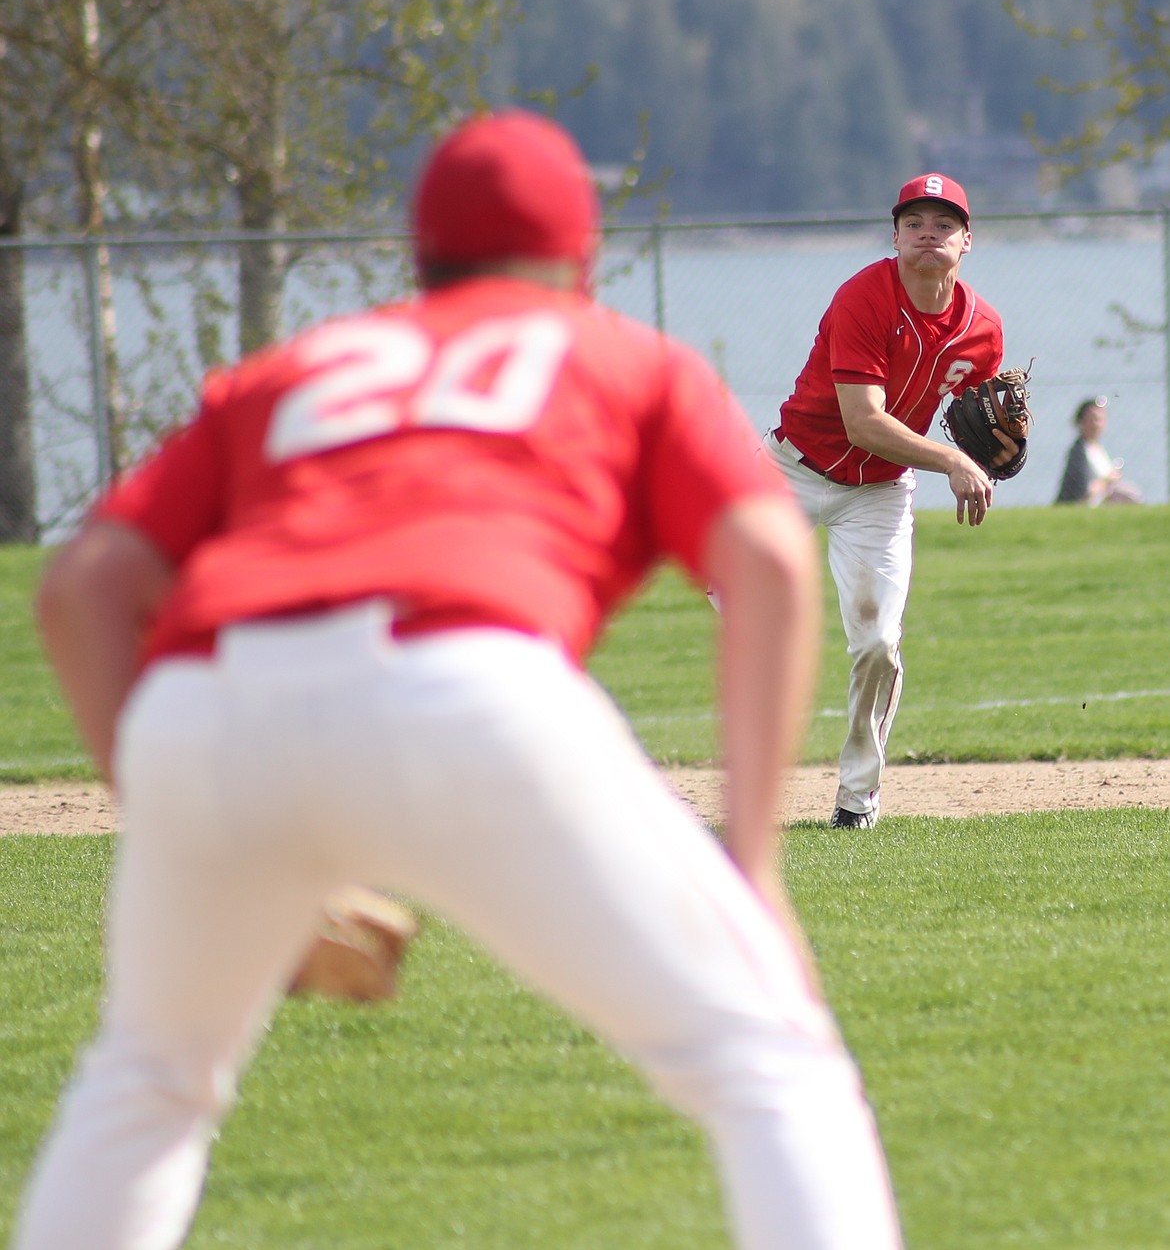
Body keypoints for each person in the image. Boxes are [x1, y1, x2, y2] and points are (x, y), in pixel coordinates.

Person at [15, 110, 904, 1250]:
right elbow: (773, 554)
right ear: (579, 258)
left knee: (146, 1086)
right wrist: (757, 861)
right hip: (464, 686)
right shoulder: (616, 352)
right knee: (769, 1059)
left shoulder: (295, 369)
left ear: (420, 254)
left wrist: (187, 822)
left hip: (208, 702)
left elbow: (80, 589)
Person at [764, 173, 1019, 829]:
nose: (928, 233)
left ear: (968, 241)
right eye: (915, 223)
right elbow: (863, 422)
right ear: (897, 236)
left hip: (877, 494)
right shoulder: (863, 297)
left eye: (943, 224)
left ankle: (856, 802)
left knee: (878, 644)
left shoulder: (984, 329)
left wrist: (992, 444)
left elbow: (972, 413)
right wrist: (954, 460)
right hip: (792, 469)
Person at [1054, 396, 1143, 505]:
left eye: (1100, 419)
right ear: (1081, 422)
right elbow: (1086, 492)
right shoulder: (1079, 452)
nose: (1096, 424)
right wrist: (1108, 480)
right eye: (1092, 419)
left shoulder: (1097, 449)